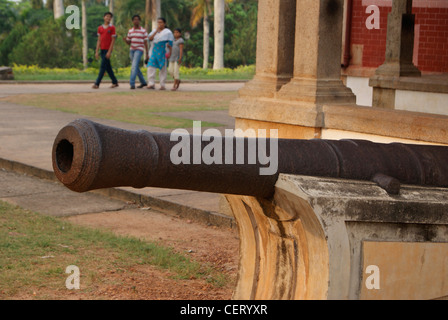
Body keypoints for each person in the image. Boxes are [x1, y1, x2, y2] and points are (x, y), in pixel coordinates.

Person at [92, 12, 119, 89]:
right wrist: (96, 51)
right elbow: (99, 40)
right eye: (107, 16)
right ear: (104, 17)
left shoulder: (112, 28)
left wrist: (109, 51)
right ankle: (115, 82)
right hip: (102, 49)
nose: (108, 18)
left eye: (110, 17)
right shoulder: (100, 28)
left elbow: (113, 40)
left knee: (103, 66)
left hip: (108, 50)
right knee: (108, 67)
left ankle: (97, 83)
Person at [146, 18, 174, 91]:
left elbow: (170, 43)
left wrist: (170, 52)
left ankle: (162, 84)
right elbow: (150, 39)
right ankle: (151, 83)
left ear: (164, 23)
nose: (159, 24)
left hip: (163, 50)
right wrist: (155, 32)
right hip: (154, 50)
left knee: (163, 68)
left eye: (161, 22)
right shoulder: (154, 31)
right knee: (151, 67)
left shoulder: (168, 32)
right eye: (158, 23)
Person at [124, 15, 149, 89]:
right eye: (134, 19)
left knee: (134, 66)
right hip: (132, 50)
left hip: (139, 49)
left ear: (139, 21)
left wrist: (147, 53)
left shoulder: (143, 30)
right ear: (132, 21)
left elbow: (145, 42)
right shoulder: (130, 31)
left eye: (137, 19)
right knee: (136, 67)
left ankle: (132, 83)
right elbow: (129, 42)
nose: (136, 21)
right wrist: (126, 40)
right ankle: (143, 82)